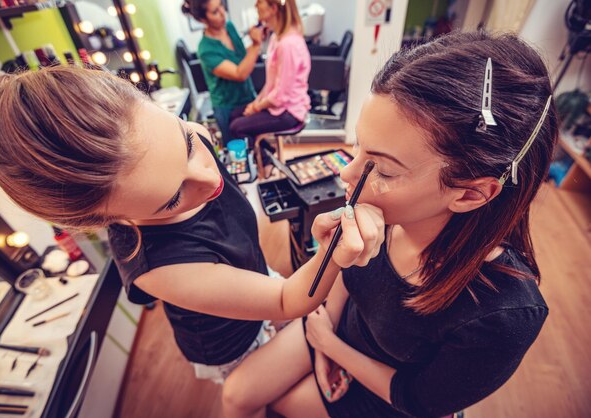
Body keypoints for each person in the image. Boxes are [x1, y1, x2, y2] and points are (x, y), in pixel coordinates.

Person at [0, 66, 385, 384]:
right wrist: (335, 255)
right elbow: (282, 301)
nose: (209, 179)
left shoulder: (192, 140)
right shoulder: (159, 267)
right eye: (171, 198)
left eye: (186, 142)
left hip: (255, 276)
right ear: (106, 220)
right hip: (228, 340)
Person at [222, 30, 555, 417]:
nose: (348, 174)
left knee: (278, 404)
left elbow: (418, 401)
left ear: (469, 194)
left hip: (389, 394)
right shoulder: (387, 216)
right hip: (337, 327)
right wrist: (325, 320)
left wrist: (331, 348)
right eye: (359, 147)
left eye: (380, 167)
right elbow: (349, 279)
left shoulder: (504, 315)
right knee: (236, 394)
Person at [229, 0, 311, 148]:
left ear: (273, 8)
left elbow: (280, 96)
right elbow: (271, 83)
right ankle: (265, 157)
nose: (255, 5)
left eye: (259, 2)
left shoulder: (288, 45)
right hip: (278, 104)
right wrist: (256, 103)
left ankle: (265, 162)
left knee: (236, 127)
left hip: (289, 112)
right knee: (235, 114)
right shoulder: (276, 38)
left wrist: (256, 108)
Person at [182, 0, 263, 144]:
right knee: (239, 153)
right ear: (202, 19)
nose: (222, 12)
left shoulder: (229, 27)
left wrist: (256, 38)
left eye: (221, 5)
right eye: (215, 11)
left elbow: (243, 58)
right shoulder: (206, 49)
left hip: (249, 97)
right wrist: (256, 45)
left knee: (257, 146)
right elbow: (240, 74)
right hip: (228, 107)